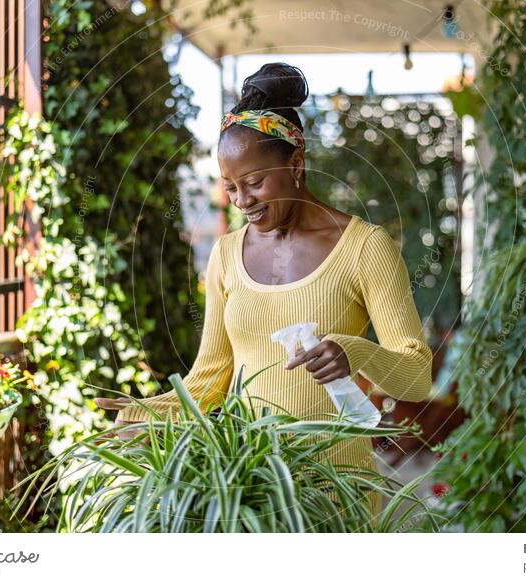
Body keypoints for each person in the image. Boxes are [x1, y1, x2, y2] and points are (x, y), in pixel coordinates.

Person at [95, 62, 433, 518]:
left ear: (296, 163)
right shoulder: (226, 255)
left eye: (254, 182)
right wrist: (143, 416)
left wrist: (355, 353)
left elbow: (417, 376)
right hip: (252, 495)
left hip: (337, 493)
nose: (241, 200)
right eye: (231, 187)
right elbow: (209, 380)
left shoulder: (363, 247)